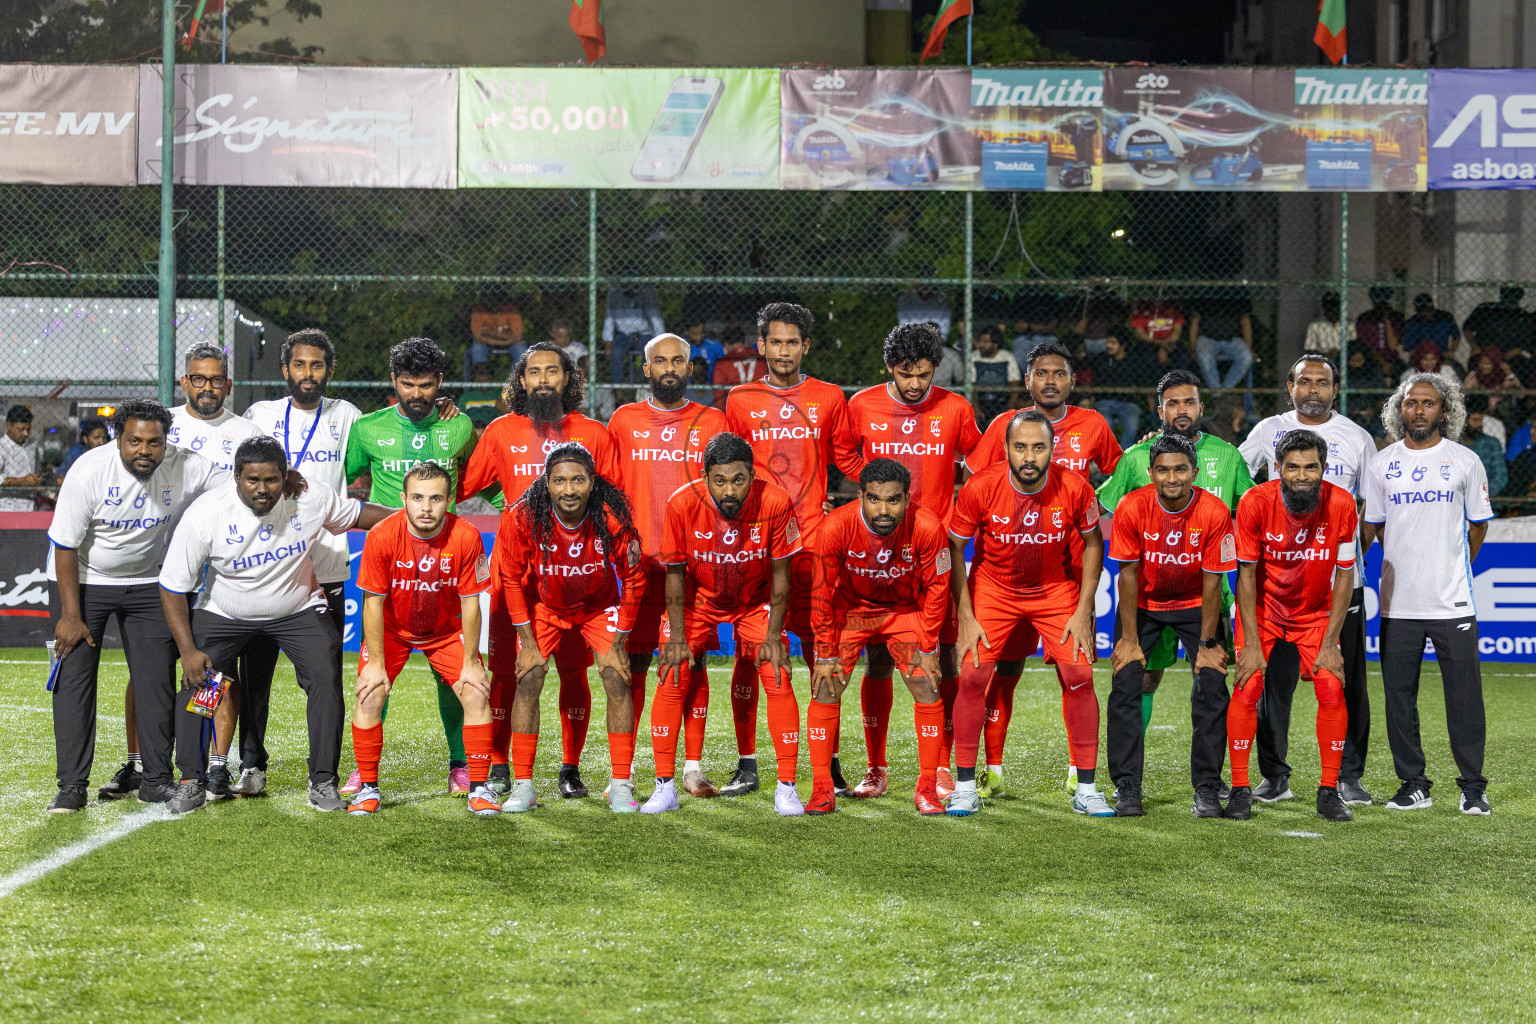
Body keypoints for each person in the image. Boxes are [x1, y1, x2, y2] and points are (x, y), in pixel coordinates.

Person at [159, 437, 393, 814]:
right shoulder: (206, 513)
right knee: (198, 683)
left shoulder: (310, 497)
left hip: (297, 610)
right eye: (252, 480)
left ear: (286, 477)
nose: (262, 489)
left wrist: (415, 516)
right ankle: (190, 780)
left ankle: (323, 781)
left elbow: (361, 514)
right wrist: (188, 651)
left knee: (325, 678)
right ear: (236, 477)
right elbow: (172, 587)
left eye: (271, 480)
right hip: (224, 614)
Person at [43, 399, 223, 812]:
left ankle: (156, 781)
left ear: (166, 441)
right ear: (117, 439)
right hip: (83, 581)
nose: (145, 450)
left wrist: (286, 482)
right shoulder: (89, 470)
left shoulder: (187, 465)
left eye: (154, 442)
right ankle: (72, 787)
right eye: (134, 441)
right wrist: (71, 616)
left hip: (147, 582)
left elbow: (237, 485)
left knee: (155, 680)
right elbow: (65, 546)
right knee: (75, 681)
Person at [460, 340, 620, 798]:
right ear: (522, 380)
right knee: (509, 673)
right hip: (515, 575)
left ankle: (570, 769)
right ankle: (499, 767)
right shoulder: (499, 431)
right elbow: (464, 484)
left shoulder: (594, 433)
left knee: (574, 672)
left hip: (576, 576)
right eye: (534, 372)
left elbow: (613, 502)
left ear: (566, 378)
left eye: (553, 371)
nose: (543, 380)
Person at [964, 340, 1122, 796]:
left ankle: (1080, 771)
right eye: (1041, 373)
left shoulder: (1092, 424)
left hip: (1071, 576)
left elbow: (1120, 472)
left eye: (1059, 373)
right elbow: (980, 484)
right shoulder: (1003, 427)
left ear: (1072, 380)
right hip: (1010, 570)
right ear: (1027, 379)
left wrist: (1097, 504)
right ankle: (991, 770)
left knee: (1073, 672)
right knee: (1003, 670)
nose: (1049, 381)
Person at [724, 302, 862, 797]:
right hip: (754, 546)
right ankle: (747, 762)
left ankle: (831, 763)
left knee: (822, 654)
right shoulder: (739, 399)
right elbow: (728, 469)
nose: (783, 351)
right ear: (761, 345)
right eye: (774, 342)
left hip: (813, 547)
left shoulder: (829, 397)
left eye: (792, 342)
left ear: (806, 346)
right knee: (750, 655)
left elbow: (848, 457)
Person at [947, 410, 1113, 818]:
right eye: (1020, 446)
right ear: (1005, 449)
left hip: (1054, 590)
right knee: (971, 675)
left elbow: (1094, 544)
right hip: (994, 588)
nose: (1029, 456)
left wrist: (1082, 608)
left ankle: (1088, 789)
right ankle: (965, 786)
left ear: (1052, 449)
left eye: (1038, 447)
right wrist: (965, 615)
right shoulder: (980, 487)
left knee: (1080, 675)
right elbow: (954, 547)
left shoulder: (1075, 488)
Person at [849, 322, 982, 798]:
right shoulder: (862, 405)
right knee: (879, 661)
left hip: (938, 552)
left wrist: (967, 510)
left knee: (942, 658)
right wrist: (872, 496)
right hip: (879, 549)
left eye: (924, 374)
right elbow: (845, 454)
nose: (915, 384)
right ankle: (876, 768)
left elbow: (982, 460)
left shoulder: (955, 407)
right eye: (906, 374)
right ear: (890, 367)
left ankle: (942, 766)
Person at [342, 338, 480, 796]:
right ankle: (365, 770)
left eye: (425, 385)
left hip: (444, 564)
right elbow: (339, 481)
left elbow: (485, 478)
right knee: (373, 676)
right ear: (393, 383)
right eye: (407, 384)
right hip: (392, 563)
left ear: (440, 383)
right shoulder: (366, 428)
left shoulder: (459, 427)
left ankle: (461, 764)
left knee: (455, 679)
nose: (416, 394)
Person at [1237, 354, 1377, 806]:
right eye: (1304, 381)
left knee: (1342, 679)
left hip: (1335, 586)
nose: (1313, 389)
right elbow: (1236, 478)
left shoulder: (1357, 438)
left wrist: (1351, 559)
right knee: (1269, 689)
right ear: (1290, 386)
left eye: (1323, 382)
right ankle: (1273, 776)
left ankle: (1347, 778)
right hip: (1276, 587)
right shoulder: (1267, 431)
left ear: (1335, 389)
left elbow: (1371, 508)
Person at [647, 433, 804, 816]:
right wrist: (678, 637)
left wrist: (773, 636)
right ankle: (665, 786)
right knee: (672, 671)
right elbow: (674, 573)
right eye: (719, 480)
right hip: (699, 600)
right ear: (705, 477)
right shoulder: (682, 503)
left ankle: (787, 787)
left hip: (755, 602)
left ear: (752, 474)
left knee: (777, 672)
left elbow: (782, 573)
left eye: (738, 479)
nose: (729, 489)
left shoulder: (776, 501)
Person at [1097, 370, 1253, 750]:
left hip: (1208, 594)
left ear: (1201, 407)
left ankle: (1218, 776)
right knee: (1144, 678)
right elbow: (1100, 507)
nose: (1181, 410)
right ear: (1159, 409)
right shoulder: (1136, 458)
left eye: (1188, 402)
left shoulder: (1228, 456)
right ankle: (1132, 765)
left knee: (1212, 677)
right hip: (1149, 596)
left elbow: (1253, 513)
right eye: (1172, 403)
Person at [243, 329, 367, 798]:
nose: (308, 374)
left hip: (327, 566)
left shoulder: (349, 416)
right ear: (285, 369)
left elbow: (371, 455)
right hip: (264, 564)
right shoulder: (260, 416)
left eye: (317, 366)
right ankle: (251, 765)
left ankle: (325, 777)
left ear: (329, 372)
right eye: (299, 365)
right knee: (254, 677)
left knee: (326, 677)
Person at [1363, 374, 1493, 815]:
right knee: (1399, 698)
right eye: (1410, 403)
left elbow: (1478, 525)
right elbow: (1375, 526)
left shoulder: (1465, 460)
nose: (1418, 410)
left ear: (1445, 410)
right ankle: (1414, 783)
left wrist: (1453, 566)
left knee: (1465, 699)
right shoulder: (1382, 464)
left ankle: (1473, 786)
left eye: (1428, 403)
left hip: (1452, 601)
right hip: (1398, 604)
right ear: (1399, 410)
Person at [610, 334, 729, 799]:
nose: (669, 367)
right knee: (634, 665)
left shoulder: (713, 420)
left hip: (695, 566)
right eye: (660, 360)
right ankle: (630, 769)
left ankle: (693, 769)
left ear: (690, 367)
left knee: (690, 661)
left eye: (678, 360)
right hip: (641, 564)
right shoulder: (623, 420)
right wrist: (623, 541)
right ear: (645, 369)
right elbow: (613, 491)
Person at [497, 444, 644, 814]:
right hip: (547, 608)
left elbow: (634, 578)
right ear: (546, 483)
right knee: (528, 677)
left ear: (592, 483)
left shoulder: (611, 517)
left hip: (599, 607)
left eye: (578, 480)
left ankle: (621, 784)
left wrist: (621, 641)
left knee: (616, 676)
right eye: (559, 480)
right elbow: (512, 579)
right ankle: (524, 786)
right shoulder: (523, 516)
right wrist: (527, 642)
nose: (568, 489)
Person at [348, 463, 497, 817]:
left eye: (435, 498)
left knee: (475, 691)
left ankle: (479, 786)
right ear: (404, 499)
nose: (425, 507)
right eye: (417, 498)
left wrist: (472, 662)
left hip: (446, 632)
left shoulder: (466, 536)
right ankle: (368, 788)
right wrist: (376, 665)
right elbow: (372, 604)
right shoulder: (382, 535)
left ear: (450, 500)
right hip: (392, 630)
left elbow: (471, 603)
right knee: (370, 694)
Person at [1226, 429, 1358, 823]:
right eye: (1293, 467)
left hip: (1316, 614)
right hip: (1263, 612)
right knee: (1248, 686)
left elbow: (1346, 575)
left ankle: (1329, 790)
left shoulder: (1343, 503)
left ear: (1324, 468)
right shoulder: (1254, 502)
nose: (1302, 475)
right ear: (1278, 468)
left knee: (1332, 687)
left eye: (1311, 467)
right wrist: (1250, 642)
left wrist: (1331, 641)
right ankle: (1239, 789)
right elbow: (1245, 576)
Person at [805, 459, 949, 816]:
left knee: (927, 683)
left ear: (907, 498)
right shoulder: (835, 527)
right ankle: (823, 789)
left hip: (904, 610)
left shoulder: (928, 527)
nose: (883, 510)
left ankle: (927, 788)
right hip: (850, 610)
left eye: (893, 500)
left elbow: (937, 589)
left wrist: (929, 646)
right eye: (874, 499)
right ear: (859, 496)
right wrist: (824, 653)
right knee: (825, 685)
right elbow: (821, 592)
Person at [1105, 433, 1236, 818]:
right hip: (1143, 604)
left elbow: (1213, 581)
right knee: (1126, 684)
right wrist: (1129, 639)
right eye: (1162, 470)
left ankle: (1208, 788)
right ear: (1150, 473)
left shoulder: (1214, 512)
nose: (1171, 477)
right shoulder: (1131, 506)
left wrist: (1209, 642)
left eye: (1180, 469)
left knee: (1211, 686)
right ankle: (1127, 785)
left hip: (1197, 604)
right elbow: (1126, 575)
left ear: (1195, 472)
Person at [166, 343, 264, 797]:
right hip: (164, 564)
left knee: (216, 670)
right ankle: (142, 762)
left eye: (217, 379)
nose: (208, 388)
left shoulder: (247, 430)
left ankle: (216, 764)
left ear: (228, 383)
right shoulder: (160, 425)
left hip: (222, 567)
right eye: (199, 379)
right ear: (184, 381)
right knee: (152, 669)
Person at [1087, 333, 1156, 449]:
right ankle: (1110, 456)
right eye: (1107, 342)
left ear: (1123, 345)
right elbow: (1093, 384)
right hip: (1105, 402)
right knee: (1106, 423)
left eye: (1113, 343)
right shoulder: (1101, 360)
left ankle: (1123, 457)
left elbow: (1146, 383)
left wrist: (1150, 409)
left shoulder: (1134, 362)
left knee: (1132, 423)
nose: (1108, 345)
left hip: (1128, 403)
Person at [1190, 290, 1255, 395]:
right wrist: (1193, 349)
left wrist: (1250, 349)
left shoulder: (1239, 292)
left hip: (1232, 339)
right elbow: (1195, 322)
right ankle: (1217, 395)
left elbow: (1245, 322)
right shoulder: (1204, 291)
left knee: (1246, 357)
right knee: (1205, 356)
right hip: (1207, 338)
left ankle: (1224, 392)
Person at [604, 283, 666, 386]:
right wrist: (608, 341)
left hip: (643, 334)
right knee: (616, 353)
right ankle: (618, 389)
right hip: (622, 334)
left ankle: (643, 384)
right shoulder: (614, 292)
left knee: (650, 351)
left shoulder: (645, 292)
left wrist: (661, 340)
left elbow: (655, 317)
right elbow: (609, 317)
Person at [969, 324, 1022, 423]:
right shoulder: (974, 357)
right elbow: (970, 386)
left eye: (985, 342)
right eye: (980, 341)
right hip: (980, 401)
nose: (980, 345)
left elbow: (1015, 383)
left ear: (995, 344)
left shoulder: (1007, 356)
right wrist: (976, 409)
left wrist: (1009, 410)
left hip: (1002, 402)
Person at [1464, 398, 1509, 501]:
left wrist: (1483, 494)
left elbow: (1501, 476)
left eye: (1481, 420)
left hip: (1485, 498)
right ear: (1465, 421)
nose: (1478, 425)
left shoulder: (1492, 443)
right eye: (1475, 420)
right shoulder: (1455, 443)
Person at [1463, 346, 1522, 421]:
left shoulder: (1505, 377)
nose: (1483, 366)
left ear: (1495, 363)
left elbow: (1521, 394)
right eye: (1481, 362)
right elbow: (1463, 396)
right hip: (1476, 415)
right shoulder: (1474, 375)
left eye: (1487, 363)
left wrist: (1510, 373)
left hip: (1499, 416)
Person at [1355, 286, 1406, 373]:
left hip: (1393, 359)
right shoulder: (1364, 318)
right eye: (1378, 298)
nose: (1382, 302)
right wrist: (1382, 363)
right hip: (1372, 359)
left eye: (1385, 298)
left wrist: (1387, 319)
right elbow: (1364, 346)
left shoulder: (1397, 317)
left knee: (1401, 369)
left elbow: (1393, 345)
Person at [0, 404, 41, 512]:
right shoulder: (2, 447)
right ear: (9, 426)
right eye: (21, 429)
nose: (25, 433)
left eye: (28, 429)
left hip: (31, 506)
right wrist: (21, 481)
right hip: (7, 508)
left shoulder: (32, 445)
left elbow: (38, 469)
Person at [1403, 293, 1464, 364]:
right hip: (1421, 358)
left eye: (1428, 311)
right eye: (1422, 313)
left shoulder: (1446, 317)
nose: (1427, 315)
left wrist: (1451, 351)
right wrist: (1426, 359)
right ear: (1418, 312)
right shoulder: (1412, 323)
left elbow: (1456, 337)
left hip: (1442, 356)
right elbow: (1410, 349)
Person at [710, 337, 768, 411]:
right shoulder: (761, 358)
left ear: (726, 345)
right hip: (760, 404)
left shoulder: (723, 362)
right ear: (745, 343)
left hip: (737, 406)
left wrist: (720, 413)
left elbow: (718, 391)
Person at [468, 301, 526, 373]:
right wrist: (506, 338)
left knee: (520, 349)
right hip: (488, 343)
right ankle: (482, 378)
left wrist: (489, 333)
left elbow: (518, 337)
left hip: (508, 343)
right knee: (477, 348)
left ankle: (516, 380)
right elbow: (477, 337)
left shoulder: (511, 310)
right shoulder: (479, 310)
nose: (492, 302)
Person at [683, 317, 726, 405]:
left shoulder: (715, 347)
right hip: (686, 390)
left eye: (701, 333)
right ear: (687, 332)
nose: (699, 338)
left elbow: (723, 369)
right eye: (695, 334)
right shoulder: (679, 347)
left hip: (709, 390)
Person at [896, 277, 952, 342]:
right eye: (922, 281)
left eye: (928, 282)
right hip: (912, 343)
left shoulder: (942, 301)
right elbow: (904, 330)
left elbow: (944, 333)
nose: (925, 285)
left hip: (936, 343)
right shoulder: (906, 300)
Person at [1303, 292, 1343, 359]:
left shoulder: (1348, 324)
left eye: (1336, 307)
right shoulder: (1315, 325)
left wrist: (1339, 353)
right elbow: (1309, 349)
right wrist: (1326, 354)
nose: (1333, 311)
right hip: (1323, 360)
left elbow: (1354, 347)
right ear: (1324, 308)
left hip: (1344, 360)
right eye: (1330, 309)